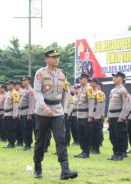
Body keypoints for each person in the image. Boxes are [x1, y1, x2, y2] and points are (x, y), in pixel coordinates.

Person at [33, 49, 78, 180]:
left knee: (61, 138)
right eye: (53, 57)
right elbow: (37, 92)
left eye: (57, 57)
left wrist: (63, 110)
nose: (56, 59)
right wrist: (43, 106)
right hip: (42, 111)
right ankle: (37, 166)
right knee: (40, 140)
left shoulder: (62, 74)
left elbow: (65, 93)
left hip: (57, 110)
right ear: (46, 59)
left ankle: (65, 169)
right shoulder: (40, 73)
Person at [107, 72, 131, 161]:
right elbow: (110, 104)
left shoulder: (123, 90)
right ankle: (115, 153)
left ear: (121, 78)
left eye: (115, 77)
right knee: (112, 136)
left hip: (118, 117)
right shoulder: (113, 90)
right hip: (112, 116)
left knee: (119, 136)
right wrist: (108, 116)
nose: (114, 78)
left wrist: (122, 117)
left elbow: (126, 105)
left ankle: (120, 154)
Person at [74, 73, 95, 158]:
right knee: (81, 134)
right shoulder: (81, 89)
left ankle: (86, 152)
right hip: (80, 115)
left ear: (86, 79)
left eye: (81, 78)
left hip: (86, 115)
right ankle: (83, 150)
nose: (80, 79)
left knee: (86, 134)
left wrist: (90, 115)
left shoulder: (89, 89)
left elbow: (91, 103)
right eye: (79, 78)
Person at [19, 76, 36, 150]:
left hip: (27, 112)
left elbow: (32, 103)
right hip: (22, 111)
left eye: (24, 80)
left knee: (28, 129)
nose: (22, 81)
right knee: (23, 129)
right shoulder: (24, 90)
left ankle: (28, 144)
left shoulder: (31, 90)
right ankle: (25, 143)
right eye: (22, 80)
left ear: (28, 81)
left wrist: (30, 113)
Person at [90, 78, 106, 154]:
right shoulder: (90, 92)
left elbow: (100, 105)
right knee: (91, 132)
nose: (91, 83)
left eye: (92, 82)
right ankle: (92, 147)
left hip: (96, 115)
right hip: (91, 114)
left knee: (96, 133)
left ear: (96, 83)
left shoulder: (99, 93)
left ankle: (96, 148)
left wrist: (99, 116)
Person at [3, 80, 20, 148]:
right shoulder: (8, 93)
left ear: (12, 85)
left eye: (9, 85)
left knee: (11, 129)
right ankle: (9, 142)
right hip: (7, 113)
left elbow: (15, 104)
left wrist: (15, 115)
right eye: (7, 85)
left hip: (11, 113)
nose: (7, 86)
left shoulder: (14, 93)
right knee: (7, 129)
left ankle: (12, 143)